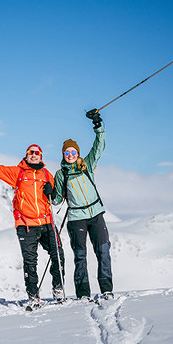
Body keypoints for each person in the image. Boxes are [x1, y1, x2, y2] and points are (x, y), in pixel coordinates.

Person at [0, 144, 65, 307]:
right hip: (26, 224)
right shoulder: (17, 172)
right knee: (30, 261)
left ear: (41, 157)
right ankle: (34, 296)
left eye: (37, 153)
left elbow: (59, 196)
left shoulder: (47, 175)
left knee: (58, 255)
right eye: (31, 153)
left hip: (47, 222)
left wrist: (53, 191)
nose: (34, 155)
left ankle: (58, 289)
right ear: (26, 155)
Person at [52, 110, 114, 301]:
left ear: (77, 153)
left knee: (103, 251)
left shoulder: (86, 164)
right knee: (80, 257)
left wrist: (97, 125)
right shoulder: (61, 173)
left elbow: (99, 146)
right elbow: (56, 200)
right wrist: (49, 191)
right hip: (76, 218)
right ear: (63, 154)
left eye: (73, 152)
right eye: (67, 152)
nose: (70, 154)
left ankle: (106, 289)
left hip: (96, 214)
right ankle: (83, 294)